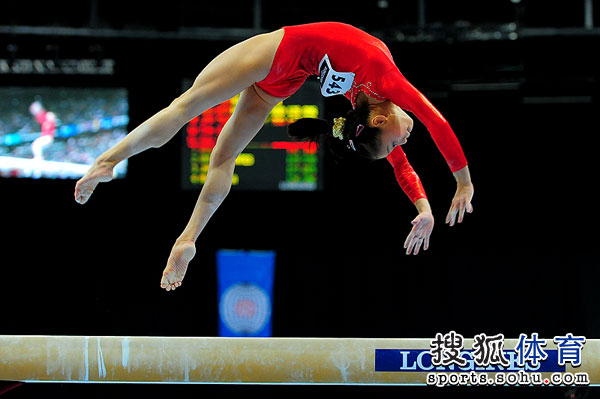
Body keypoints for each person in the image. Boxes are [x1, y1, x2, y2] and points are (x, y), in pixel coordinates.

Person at [74, 22, 474, 292]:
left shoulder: (369, 103)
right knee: (210, 142)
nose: (402, 143)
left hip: (282, 63)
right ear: (382, 119)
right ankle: (117, 168)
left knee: (192, 117)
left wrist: (423, 207)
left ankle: (183, 235)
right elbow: (436, 121)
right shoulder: (384, 87)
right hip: (284, 65)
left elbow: (403, 162)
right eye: (395, 142)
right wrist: (462, 180)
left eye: (393, 143)